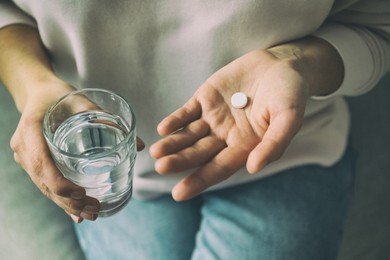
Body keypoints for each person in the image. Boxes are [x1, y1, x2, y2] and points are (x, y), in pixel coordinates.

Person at [0, 0, 389, 259]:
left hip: (285, 151)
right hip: (115, 168)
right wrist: (33, 85)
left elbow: (378, 24)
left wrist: (296, 62)